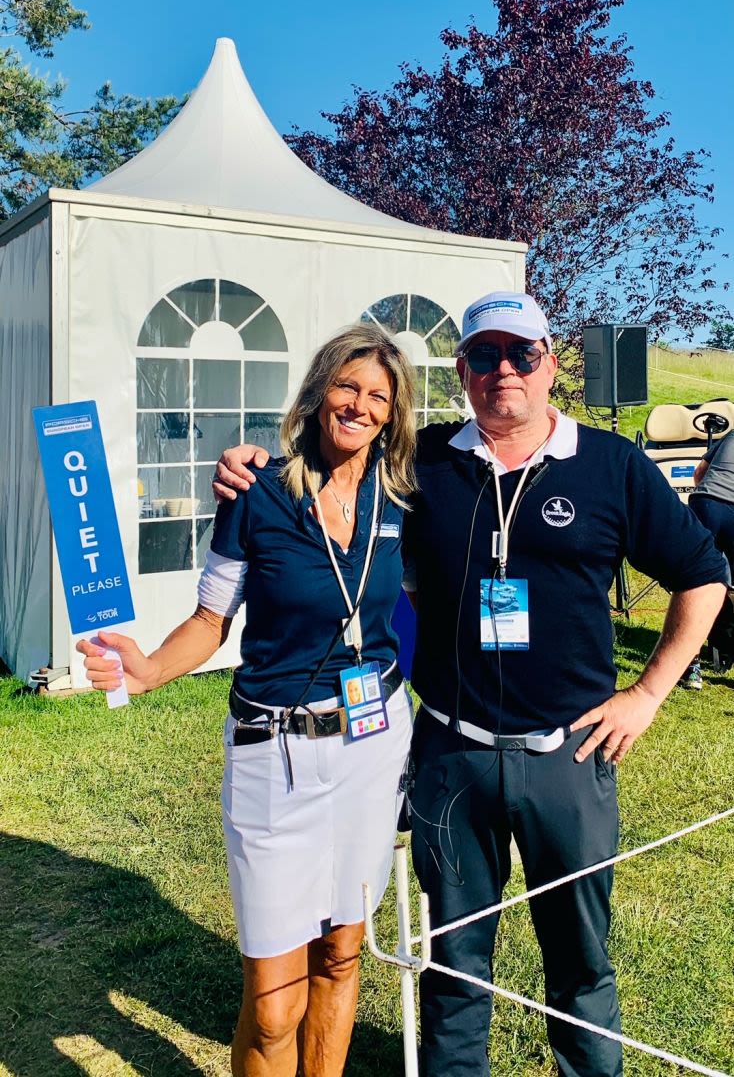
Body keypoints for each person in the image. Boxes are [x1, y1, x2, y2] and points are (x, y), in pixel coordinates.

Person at [213, 292, 728, 1077]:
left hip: (571, 754)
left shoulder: (612, 467)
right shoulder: (426, 468)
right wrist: (247, 462)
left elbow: (704, 575)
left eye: (522, 354)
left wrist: (648, 692)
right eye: (484, 356)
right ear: (463, 371)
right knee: (455, 965)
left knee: (580, 961)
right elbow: (338, 487)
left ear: (551, 364)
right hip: (452, 749)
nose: (504, 372)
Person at [77, 323, 417, 1077]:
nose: (359, 405)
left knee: (340, 954)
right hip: (275, 754)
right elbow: (209, 619)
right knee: (271, 1006)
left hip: (371, 748)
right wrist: (148, 671)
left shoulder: (403, 498)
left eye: (378, 396)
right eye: (347, 386)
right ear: (317, 392)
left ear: (394, 414)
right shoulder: (257, 492)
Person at [678, 427, 734, 686]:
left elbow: (699, 473)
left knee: (695, 585)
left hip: (704, 502)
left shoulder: (731, 435)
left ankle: (691, 668)